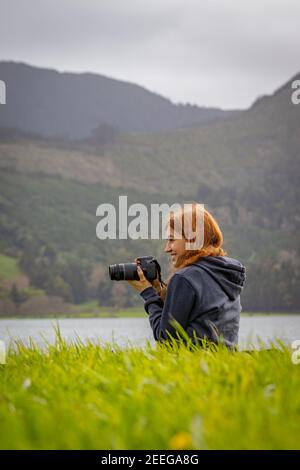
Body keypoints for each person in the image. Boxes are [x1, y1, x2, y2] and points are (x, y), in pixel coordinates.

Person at [127, 203, 246, 350]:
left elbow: (166, 339)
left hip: (195, 366)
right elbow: (195, 317)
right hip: (224, 363)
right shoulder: (225, 273)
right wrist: (158, 288)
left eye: (171, 240)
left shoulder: (186, 278)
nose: (167, 248)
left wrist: (147, 293)